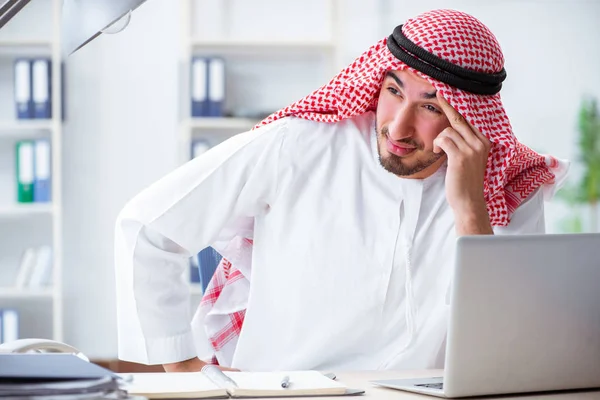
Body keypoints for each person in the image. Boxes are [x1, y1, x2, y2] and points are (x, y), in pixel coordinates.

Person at [114, 9, 568, 373]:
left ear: (471, 117)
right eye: (393, 91)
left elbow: (509, 346)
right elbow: (147, 227)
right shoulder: (300, 144)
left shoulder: (507, 183)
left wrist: (470, 213)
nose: (398, 126)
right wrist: (184, 365)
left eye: (430, 105)